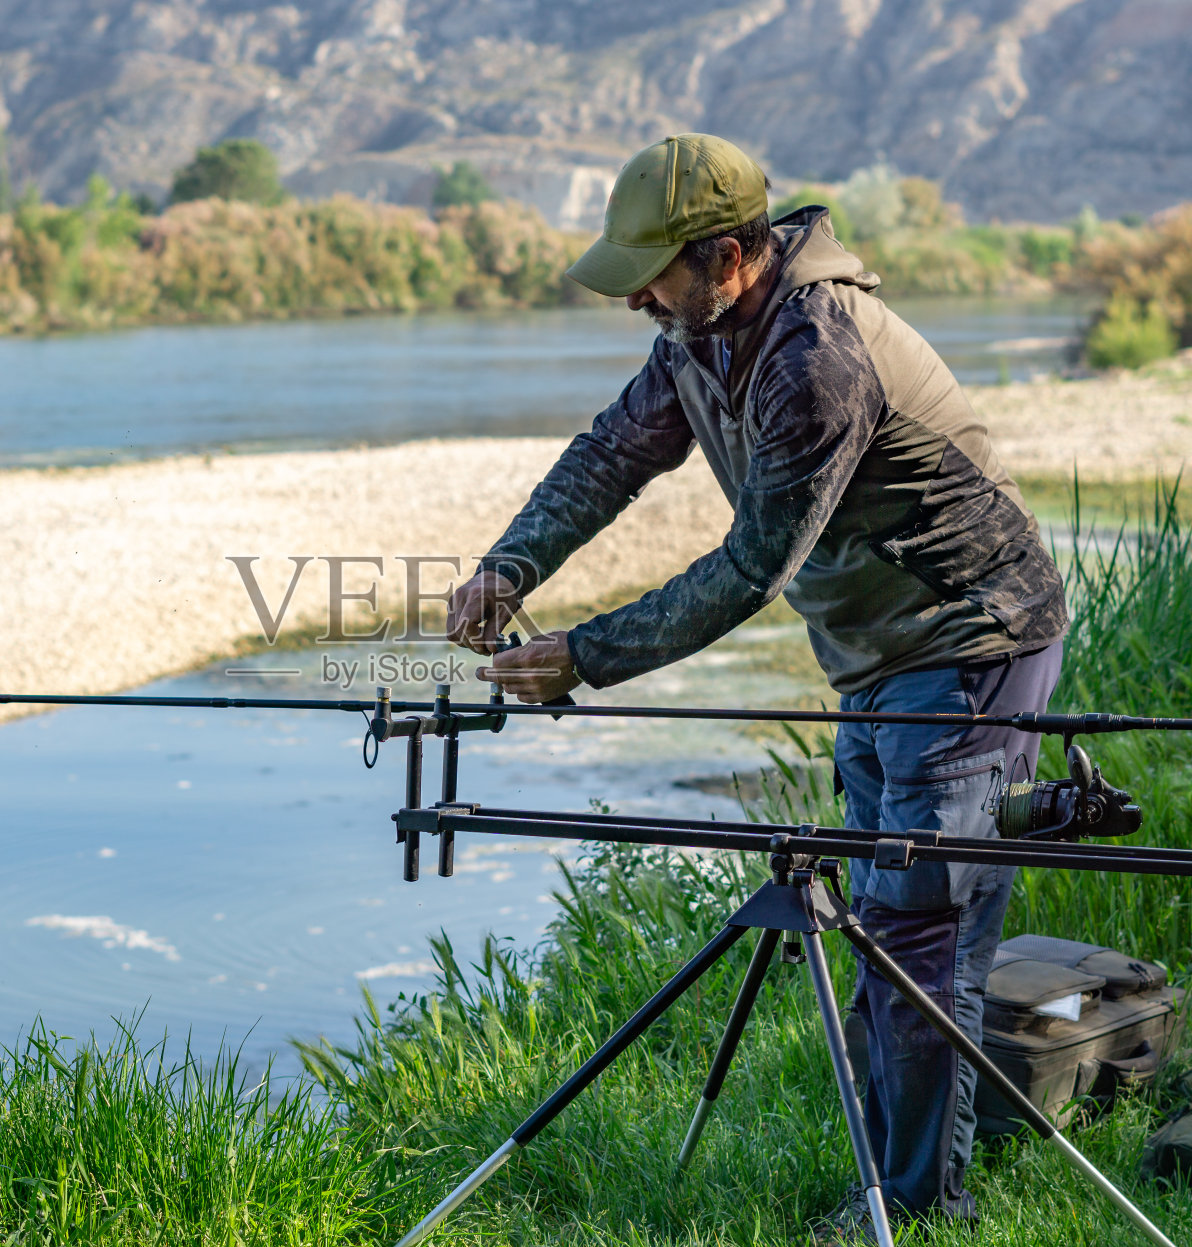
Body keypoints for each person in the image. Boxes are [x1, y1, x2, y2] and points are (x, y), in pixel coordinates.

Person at [445, 133, 1068, 1242]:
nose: (633, 295)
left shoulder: (819, 358)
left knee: (919, 941)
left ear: (728, 256)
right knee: (885, 931)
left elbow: (749, 569)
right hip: (874, 655)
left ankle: (920, 1210)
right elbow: (612, 454)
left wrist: (585, 655)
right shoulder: (700, 333)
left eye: (651, 272)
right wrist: (510, 564)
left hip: (974, 643)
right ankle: (901, 1185)